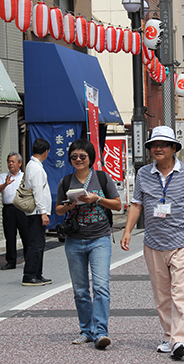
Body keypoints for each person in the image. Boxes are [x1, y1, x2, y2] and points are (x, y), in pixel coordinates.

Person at [120, 126, 184, 359]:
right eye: (154, 145)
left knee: (180, 291)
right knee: (162, 295)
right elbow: (137, 204)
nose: (157, 149)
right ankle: (170, 336)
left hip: (182, 241)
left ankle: (180, 340)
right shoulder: (143, 175)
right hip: (153, 243)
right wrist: (128, 231)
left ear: (173, 148)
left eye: (163, 145)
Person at [55, 139, 121, 349]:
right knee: (80, 289)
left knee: (101, 286)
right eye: (74, 157)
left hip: (100, 239)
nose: (78, 160)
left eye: (82, 156)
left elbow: (119, 205)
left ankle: (101, 332)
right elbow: (57, 210)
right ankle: (86, 330)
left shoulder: (101, 178)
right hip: (74, 241)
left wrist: (96, 199)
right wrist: (68, 205)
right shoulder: (66, 182)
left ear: (90, 158)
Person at [22, 138, 52, 286]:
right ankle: (30, 275)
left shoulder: (31, 165)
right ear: (46, 152)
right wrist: (43, 212)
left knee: (38, 243)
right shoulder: (37, 168)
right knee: (36, 244)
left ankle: (37, 274)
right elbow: (38, 191)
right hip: (36, 212)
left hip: (35, 212)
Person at [0, 152, 29, 270]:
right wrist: (5, 184)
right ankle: (11, 261)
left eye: (13, 161)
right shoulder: (3, 176)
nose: (10, 164)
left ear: (20, 163)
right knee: (10, 235)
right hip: (9, 209)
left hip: (22, 208)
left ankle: (29, 259)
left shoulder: (25, 176)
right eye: (9, 162)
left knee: (26, 235)